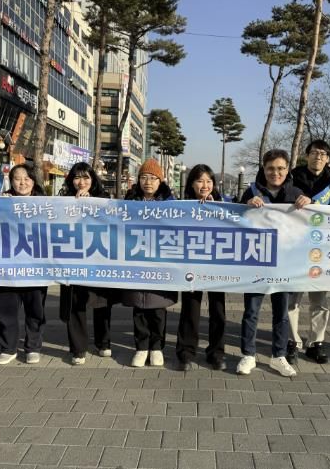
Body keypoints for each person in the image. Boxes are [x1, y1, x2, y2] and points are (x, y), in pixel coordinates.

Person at [237, 149, 311, 377]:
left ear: (287, 169)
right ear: (264, 169)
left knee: (282, 313)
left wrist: (310, 203)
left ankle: (279, 355)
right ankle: (248, 354)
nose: (275, 173)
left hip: (284, 263)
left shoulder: (296, 193)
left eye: (280, 168)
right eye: (270, 168)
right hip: (256, 261)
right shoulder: (252, 191)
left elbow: (312, 221)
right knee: (251, 311)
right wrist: (246, 204)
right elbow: (235, 220)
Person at [288, 139, 330, 364]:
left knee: (319, 298)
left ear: (328, 158)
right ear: (307, 155)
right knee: (292, 299)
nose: (318, 157)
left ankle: (316, 342)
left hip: (322, 248)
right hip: (294, 246)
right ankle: (292, 341)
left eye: (323, 154)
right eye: (314, 152)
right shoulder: (292, 178)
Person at [121, 159, 178, 367]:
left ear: (160, 181)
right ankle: (141, 347)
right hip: (136, 260)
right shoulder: (129, 201)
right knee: (139, 307)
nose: (148, 182)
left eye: (153, 178)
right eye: (144, 177)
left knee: (158, 307)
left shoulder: (170, 203)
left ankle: (156, 347)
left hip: (160, 263)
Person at [58, 162, 116, 365]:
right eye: (77, 177)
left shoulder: (103, 199)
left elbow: (111, 223)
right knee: (75, 303)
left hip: (98, 258)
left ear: (93, 180)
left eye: (86, 177)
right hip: (72, 260)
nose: (81, 182)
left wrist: (90, 203)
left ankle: (103, 342)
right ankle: (78, 348)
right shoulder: (61, 201)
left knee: (101, 302)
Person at [0, 164, 48, 365]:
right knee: (6, 309)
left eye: (27, 178)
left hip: (36, 267)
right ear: (11, 181)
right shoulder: (1, 202)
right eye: (17, 178)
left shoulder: (47, 204)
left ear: (33, 181)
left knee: (35, 310)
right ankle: (8, 348)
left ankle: (33, 347)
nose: (22, 183)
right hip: (7, 267)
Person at [175, 164, 227, 371]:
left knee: (218, 310)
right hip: (192, 264)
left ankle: (216, 353)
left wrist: (216, 210)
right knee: (190, 308)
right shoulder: (183, 206)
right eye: (199, 181)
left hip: (217, 265)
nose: (205, 185)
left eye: (208, 181)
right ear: (191, 184)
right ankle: (186, 353)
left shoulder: (224, 205)